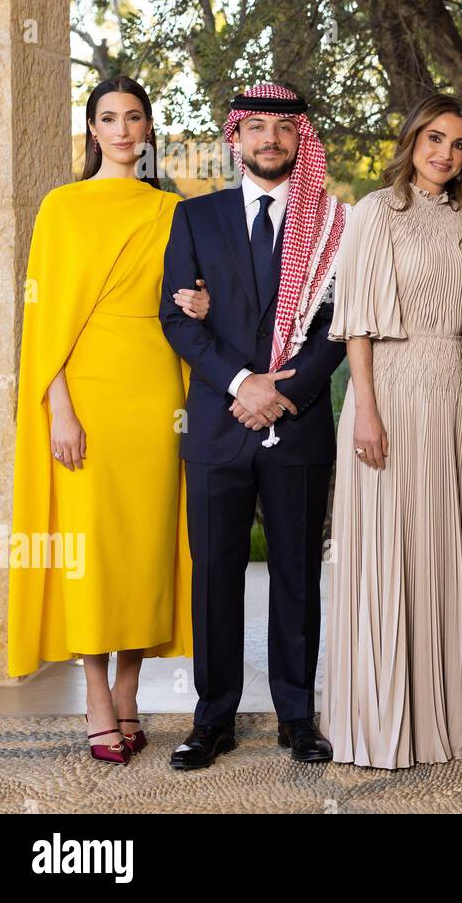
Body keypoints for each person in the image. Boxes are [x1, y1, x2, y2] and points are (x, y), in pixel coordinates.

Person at [9, 76, 209, 764]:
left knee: (147, 547)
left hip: (156, 393)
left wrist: (201, 305)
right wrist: (58, 405)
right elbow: (44, 320)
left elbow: (183, 304)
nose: (123, 129)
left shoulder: (171, 211)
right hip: (86, 393)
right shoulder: (61, 209)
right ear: (92, 129)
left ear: (149, 128)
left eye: (134, 117)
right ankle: (96, 698)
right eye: (109, 118)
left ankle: (129, 694)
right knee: (93, 554)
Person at [160, 82, 347, 770]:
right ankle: (213, 719)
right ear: (235, 136)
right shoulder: (195, 218)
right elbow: (177, 317)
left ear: (302, 140)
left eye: (285, 128)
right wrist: (244, 384)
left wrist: (283, 391)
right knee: (215, 574)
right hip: (219, 422)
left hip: (295, 427)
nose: (271, 138)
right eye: (257, 126)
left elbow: (338, 325)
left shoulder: (334, 224)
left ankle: (299, 715)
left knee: (298, 574)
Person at [321, 93, 462, 767]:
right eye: (434, 138)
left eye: (458, 144)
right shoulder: (375, 211)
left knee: (445, 541)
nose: (445, 153)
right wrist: (365, 407)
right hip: (390, 392)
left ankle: (451, 705)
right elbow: (358, 322)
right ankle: (385, 716)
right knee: (390, 545)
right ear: (411, 140)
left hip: (451, 389)